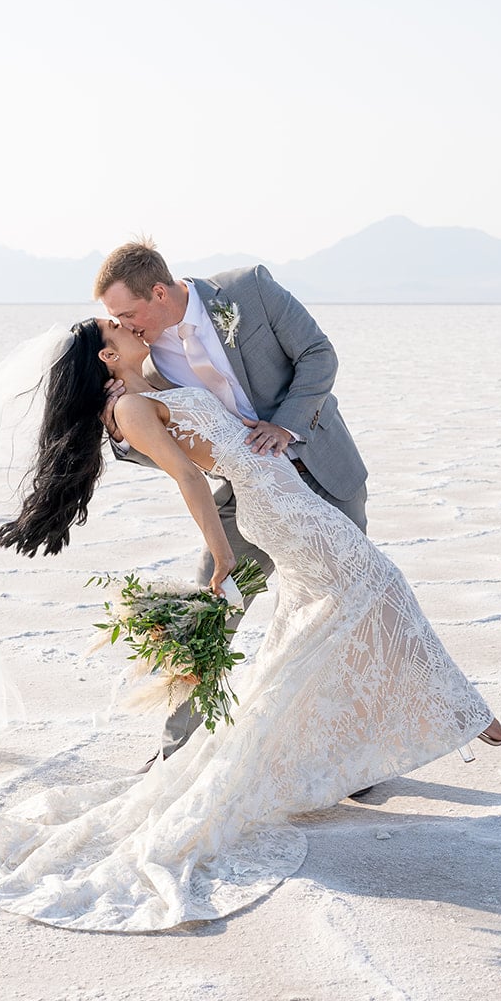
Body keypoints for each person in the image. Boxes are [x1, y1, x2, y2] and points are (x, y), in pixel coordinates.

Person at [0, 318, 501, 932]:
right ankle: (472, 719)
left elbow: (210, 385)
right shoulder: (132, 406)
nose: (130, 325)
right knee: (382, 590)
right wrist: (222, 556)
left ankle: (388, 735)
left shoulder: (146, 384)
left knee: (319, 626)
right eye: (117, 327)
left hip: (286, 496)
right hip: (276, 508)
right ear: (108, 357)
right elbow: (190, 477)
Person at [92, 239, 368, 767]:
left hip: (326, 474)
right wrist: (122, 432)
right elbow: (176, 445)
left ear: (158, 291)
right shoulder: (145, 361)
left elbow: (318, 355)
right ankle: (177, 754)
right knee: (208, 614)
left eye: (128, 313)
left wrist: (284, 425)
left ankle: (346, 759)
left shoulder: (250, 289)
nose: (125, 326)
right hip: (246, 497)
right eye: (115, 321)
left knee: (342, 614)